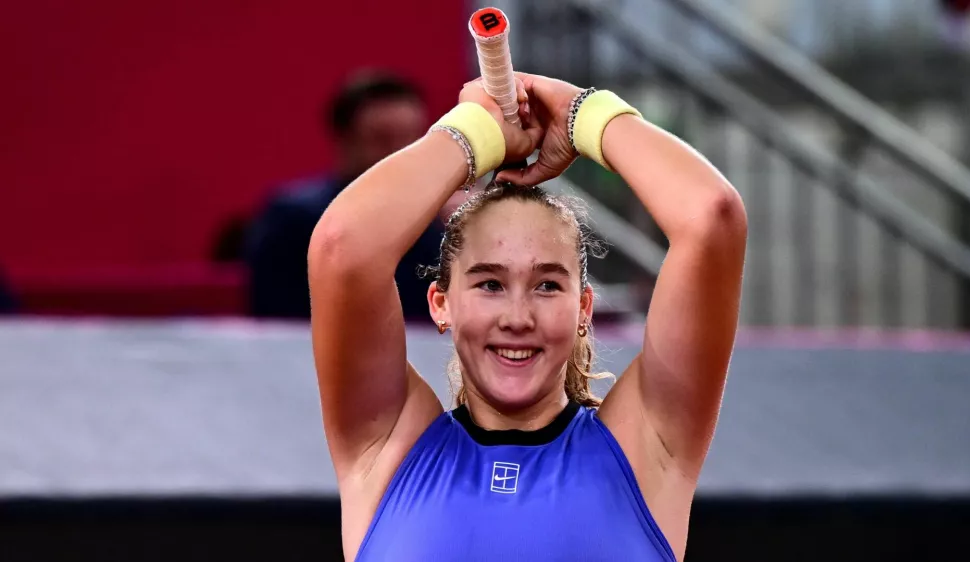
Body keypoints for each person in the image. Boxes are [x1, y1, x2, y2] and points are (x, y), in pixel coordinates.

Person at [308, 73, 747, 561]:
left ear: (584, 308)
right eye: (490, 284)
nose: (518, 317)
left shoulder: (647, 447)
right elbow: (343, 247)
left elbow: (712, 217)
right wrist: (476, 131)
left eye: (547, 286)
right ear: (441, 303)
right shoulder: (386, 447)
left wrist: (582, 113)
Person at [245, 71, 444, 320]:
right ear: (345, 141)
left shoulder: (437, 224)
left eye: (412, 139)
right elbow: (279, 319)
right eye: (382, 139)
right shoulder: (293, 219)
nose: (401, 153)